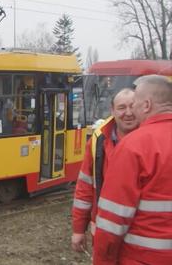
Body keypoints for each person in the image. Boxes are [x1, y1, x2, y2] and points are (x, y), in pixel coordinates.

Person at [92, 75, 172, 265]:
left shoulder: (134, 146)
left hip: (142, 257)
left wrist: (102, 260)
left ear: (146, 105)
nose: (132, 110)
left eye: (134, 103)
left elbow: (113, 220)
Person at [71, 88, 139, 253]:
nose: (128, 113)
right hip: (103, 234)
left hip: (139, 237)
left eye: (133, 106)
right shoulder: (97, 142)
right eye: (122, 108)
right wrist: (78, 229)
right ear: (112, 110)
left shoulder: (154, 141)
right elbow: (84, 188)